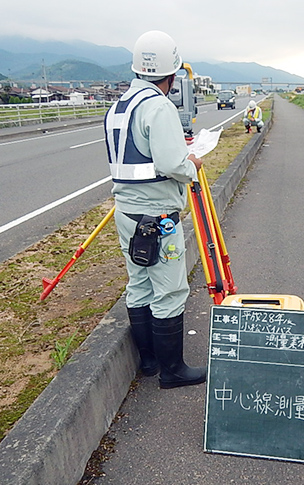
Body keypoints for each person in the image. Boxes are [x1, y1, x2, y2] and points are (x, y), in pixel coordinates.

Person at [104, 30, 206, 389]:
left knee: (139, 285)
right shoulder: (159, 106)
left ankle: (148, 362)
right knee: (169, 291)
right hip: (159, 217)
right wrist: (192, 161)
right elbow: (173, 164)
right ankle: (172, 371)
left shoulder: (118, 106)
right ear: (172, 75)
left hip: (127, 214)